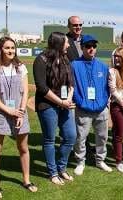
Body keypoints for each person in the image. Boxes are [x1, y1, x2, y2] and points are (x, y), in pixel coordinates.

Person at [0, 37, 37, 198]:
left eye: (13, 48)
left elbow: (25, 91)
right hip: (0, 113)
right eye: (7, 48)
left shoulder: (20, 67)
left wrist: (20, 111)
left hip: (19, 113)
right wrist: (9, 110)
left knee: (23, 148)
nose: (10, 51)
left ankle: (26, 180)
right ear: (0, 49)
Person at [33, 32, 77, 185]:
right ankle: (52, 173)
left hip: (65, 104)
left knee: (71, 136)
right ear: (59, 43)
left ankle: (61, 168)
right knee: (49, 139)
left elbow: (71, 82)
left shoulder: (65, 59)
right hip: (47, 105)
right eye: (66, 43)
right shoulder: (41, 60)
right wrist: (60, 102)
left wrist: (69, 98)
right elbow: (42, 88)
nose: (68, 45)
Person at [70, 35, 112, 175]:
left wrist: (104, 102)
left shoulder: (102, 66)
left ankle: (100, 161)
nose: (91, 49)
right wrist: (80, 102)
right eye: (88, 46)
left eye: (93, 46)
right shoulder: (74, 65)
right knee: (81, 137)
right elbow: (72, 87)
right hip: (83, 108)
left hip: (101, 109)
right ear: (82, 48)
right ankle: (80, 162)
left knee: (102, 137)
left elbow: (107, 87)